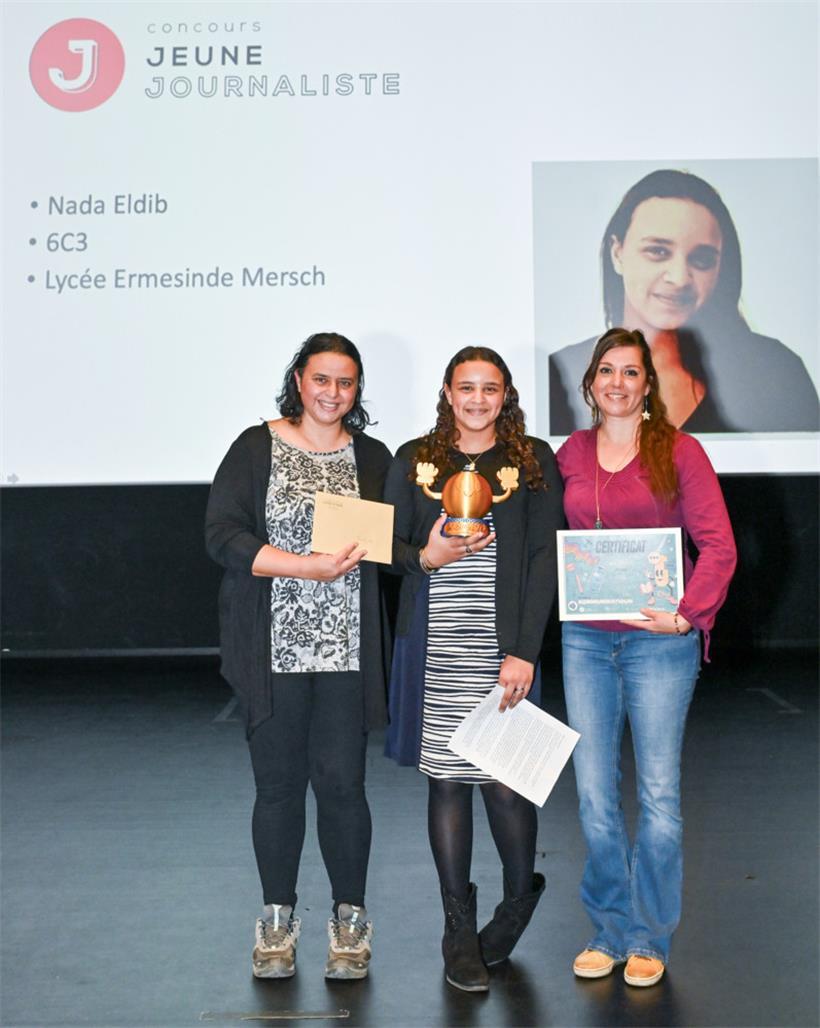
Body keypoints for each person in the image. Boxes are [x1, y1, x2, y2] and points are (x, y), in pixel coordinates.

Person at [205, 332, 391, 982]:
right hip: (273, 649)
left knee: (343, 787)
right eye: (321, 379)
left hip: (347, 652)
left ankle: (350, 922)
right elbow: (221, 534)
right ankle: (277, 922)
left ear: (356, 389)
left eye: (345, 382)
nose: (332, 392)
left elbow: (395, 542)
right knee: (279, 789)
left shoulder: (373, 456)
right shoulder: (256, 446)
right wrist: (303, 567)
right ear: (299, 381)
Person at [556, 327, 737, 987]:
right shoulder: (569, 453)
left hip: (659, 642)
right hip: (585, 639)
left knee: (658, 795)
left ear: (646, 384)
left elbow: (719, 545)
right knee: (593, 793)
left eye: (631, 372)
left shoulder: (680, 451)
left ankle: (649, 938)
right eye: (607, 370)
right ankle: (608, 930)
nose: (618, 382)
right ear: (590, 382)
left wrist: (687, 613)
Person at [384, 346, 564, 992]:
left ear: (506, 394)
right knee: (448, 784)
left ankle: (516, 904)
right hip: (435, 645)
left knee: (506, 785)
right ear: (447, 392)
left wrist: (524, 650)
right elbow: (387, 547)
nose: (478, 399)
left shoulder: (532, 459)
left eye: (491, 388)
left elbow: (543, 558)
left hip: (501, 649)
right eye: (467, 387)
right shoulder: (414, 459)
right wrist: (425, 556)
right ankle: (457, 929)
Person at [549, 168, 819, 433]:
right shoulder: (562, 371)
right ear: (617, 253)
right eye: (657, 251)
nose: (679, 278)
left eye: (702, 259)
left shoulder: (777, 373)